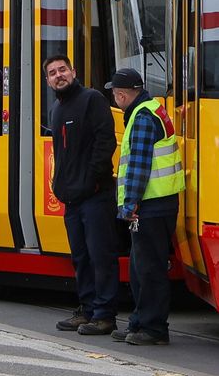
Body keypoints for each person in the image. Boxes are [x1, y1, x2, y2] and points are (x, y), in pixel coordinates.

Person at [44, 53, 119, 337]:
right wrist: (60, 186)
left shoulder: (92, 99)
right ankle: (88, 309)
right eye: (53, 73)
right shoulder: (56, 109)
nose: (59, 75)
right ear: (48, 81)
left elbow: (105, 141)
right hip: (72, 199)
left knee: (101, 256)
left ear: (73, 72)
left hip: (95, 196)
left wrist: (92, 181)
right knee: (80, 257)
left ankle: (104, 315)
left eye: (62, 69)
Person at [111, 68, 183, 347]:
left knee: (149, 270)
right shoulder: (152, 108)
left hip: (150, 205)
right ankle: (139, 321)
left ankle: (154, 328)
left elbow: (139, 166)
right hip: (158, 203)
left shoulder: (142, 117)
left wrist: (129, 204)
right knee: (140, 267)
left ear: (121, 95)